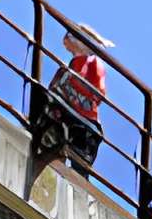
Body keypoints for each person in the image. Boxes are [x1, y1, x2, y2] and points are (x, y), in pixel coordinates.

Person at [35, 20, 109, 179]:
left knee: (79, 166)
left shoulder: (93, 63)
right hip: (65, 113)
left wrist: (76, 84)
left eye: (72, 36)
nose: (67, 39)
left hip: (84, 121)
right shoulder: (70, 66)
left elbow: (99, 93)